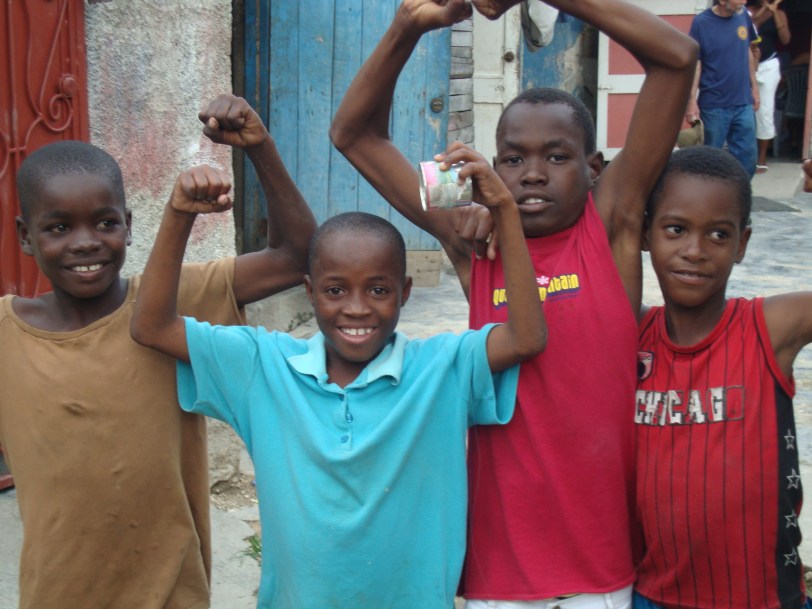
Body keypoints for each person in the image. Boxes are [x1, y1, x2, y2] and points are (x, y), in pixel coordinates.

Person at [329, 0, 697, 607]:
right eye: (512, 158)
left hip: (602, 566)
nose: (531, 174)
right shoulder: (476, 242)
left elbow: (677, 57)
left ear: (593, 168)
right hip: (500, 568)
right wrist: (408, 26)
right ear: (490, 167)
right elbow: (353, 134)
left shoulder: (609, 226)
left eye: (556, 157)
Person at [129, 139, 546, 609]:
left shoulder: (441, 369)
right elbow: (152, 326)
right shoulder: (263, 367)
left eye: (378, 289)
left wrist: (505, 213)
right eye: (334, 290)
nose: (356, 308)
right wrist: (179, 215)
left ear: (405, 292)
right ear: (309, 292)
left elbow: (526, 338)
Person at [0, 94, 316, 609]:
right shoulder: (7, 335)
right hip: (56, 594)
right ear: (26, 237)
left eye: (105, 223)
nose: (85, 243)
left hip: (173, 593)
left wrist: (260, 150)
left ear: (128, 223)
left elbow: (296, 256)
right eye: (59, 228)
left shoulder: (171, 305)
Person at [633, 145, 812, 609]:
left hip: (763, 599)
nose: (694, 250)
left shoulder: (768, 328)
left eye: (718, 234)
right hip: (652, 597)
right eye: (676, 229)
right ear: (646, 234)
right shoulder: (628, 335)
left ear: (742, 244)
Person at [686, 0, 760, 178]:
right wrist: (691, 101)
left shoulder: (743, 15)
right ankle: (710, 202)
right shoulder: (701, 23)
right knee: (710, 162)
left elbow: (748, 51)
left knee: (748, 160)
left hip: (743, 102)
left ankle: (739, 200)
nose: (743, 2)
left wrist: (755, 88)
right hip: (714, 105)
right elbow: (696, 63)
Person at [748, 0, 791, 173]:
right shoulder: (747, 11)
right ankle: (745, 154)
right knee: (744, 109)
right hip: (748, 64)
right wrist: (764, 9)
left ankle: (762, 158)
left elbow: (786, 39)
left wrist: (774, 12)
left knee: (765, 110)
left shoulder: (779, 14)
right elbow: (751, 29)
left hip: (768, 66)